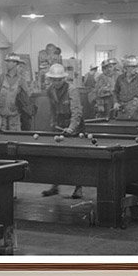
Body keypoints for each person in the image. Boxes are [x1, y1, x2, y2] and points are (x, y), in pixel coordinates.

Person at [41, 63, 84, 199]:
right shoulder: (49, 90)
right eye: (54, 79)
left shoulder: (72, 89)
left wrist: (72, 127)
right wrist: (53, 122)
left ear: (63, 79)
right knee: (56, 156)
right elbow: (53, 108)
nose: (57, 82)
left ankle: (79, 188)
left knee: (77, 158)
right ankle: (55, 186)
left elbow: (77, 111)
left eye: (59, 79)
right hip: (59, 125)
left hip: (75, 126)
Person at [0, 53, 27, 132]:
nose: (6, 63)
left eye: (9, 61)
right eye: (6, 61)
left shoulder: (21, 79)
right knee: (1, 136)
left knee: (15, 136)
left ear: (15, 63)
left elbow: (27, 96)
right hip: (1, 114)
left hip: (15, 114)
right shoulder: (2, 77)